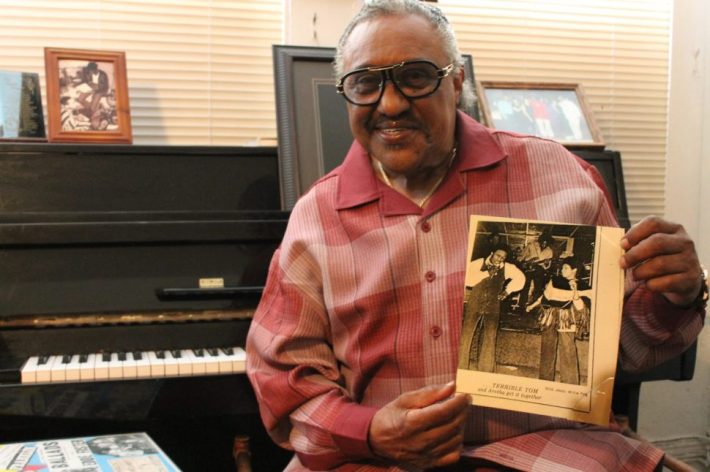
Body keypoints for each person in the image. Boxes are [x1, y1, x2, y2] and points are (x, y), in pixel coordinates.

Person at [246, 1, 705, 470]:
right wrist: (367, 431)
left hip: (548, 452)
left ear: (457, 81)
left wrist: (675, 297)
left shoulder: (559, 177)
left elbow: (623, 350)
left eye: (416, 76)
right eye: (366, 83)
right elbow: (284, 376)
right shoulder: (316, 216)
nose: (389, 103)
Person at [459, 244, 525, 372]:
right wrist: (486, 273)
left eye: (503, 258)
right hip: (475, 303)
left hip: (493, 305)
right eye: (498, 255)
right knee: (466, 335)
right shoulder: (479, 263)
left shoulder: (508, 268)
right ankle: (461, 368)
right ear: (492, 253)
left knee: (490, 337)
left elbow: (521, 278)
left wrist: (508, 291)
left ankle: (486, 370)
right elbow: (467, 279)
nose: (500, 259)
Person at [526, 257, 593, 384]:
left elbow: (581, 308)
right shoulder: (555, 280)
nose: (562, 270)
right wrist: (532, 305)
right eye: (562, 267)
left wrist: (575, 293)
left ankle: (570, 383)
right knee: (547, 347)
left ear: (574, 270)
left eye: (566, 268)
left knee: (568, 349)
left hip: (566, 318)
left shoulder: (583, 286)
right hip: (550, 316)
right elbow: (545, 296)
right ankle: (545, 380)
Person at [518, 232, 554, 311]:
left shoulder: (550, 251)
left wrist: (547, 263)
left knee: (538, 288)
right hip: (528, 268)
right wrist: (523, 264)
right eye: (543, 242)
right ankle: (521, 305)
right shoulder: (531, 245)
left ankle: (533, 307)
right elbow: (521, 256)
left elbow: (548, 266)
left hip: (539, 270)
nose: (544, 244)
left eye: (546, 243)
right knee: (525, 286)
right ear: (540, 240)